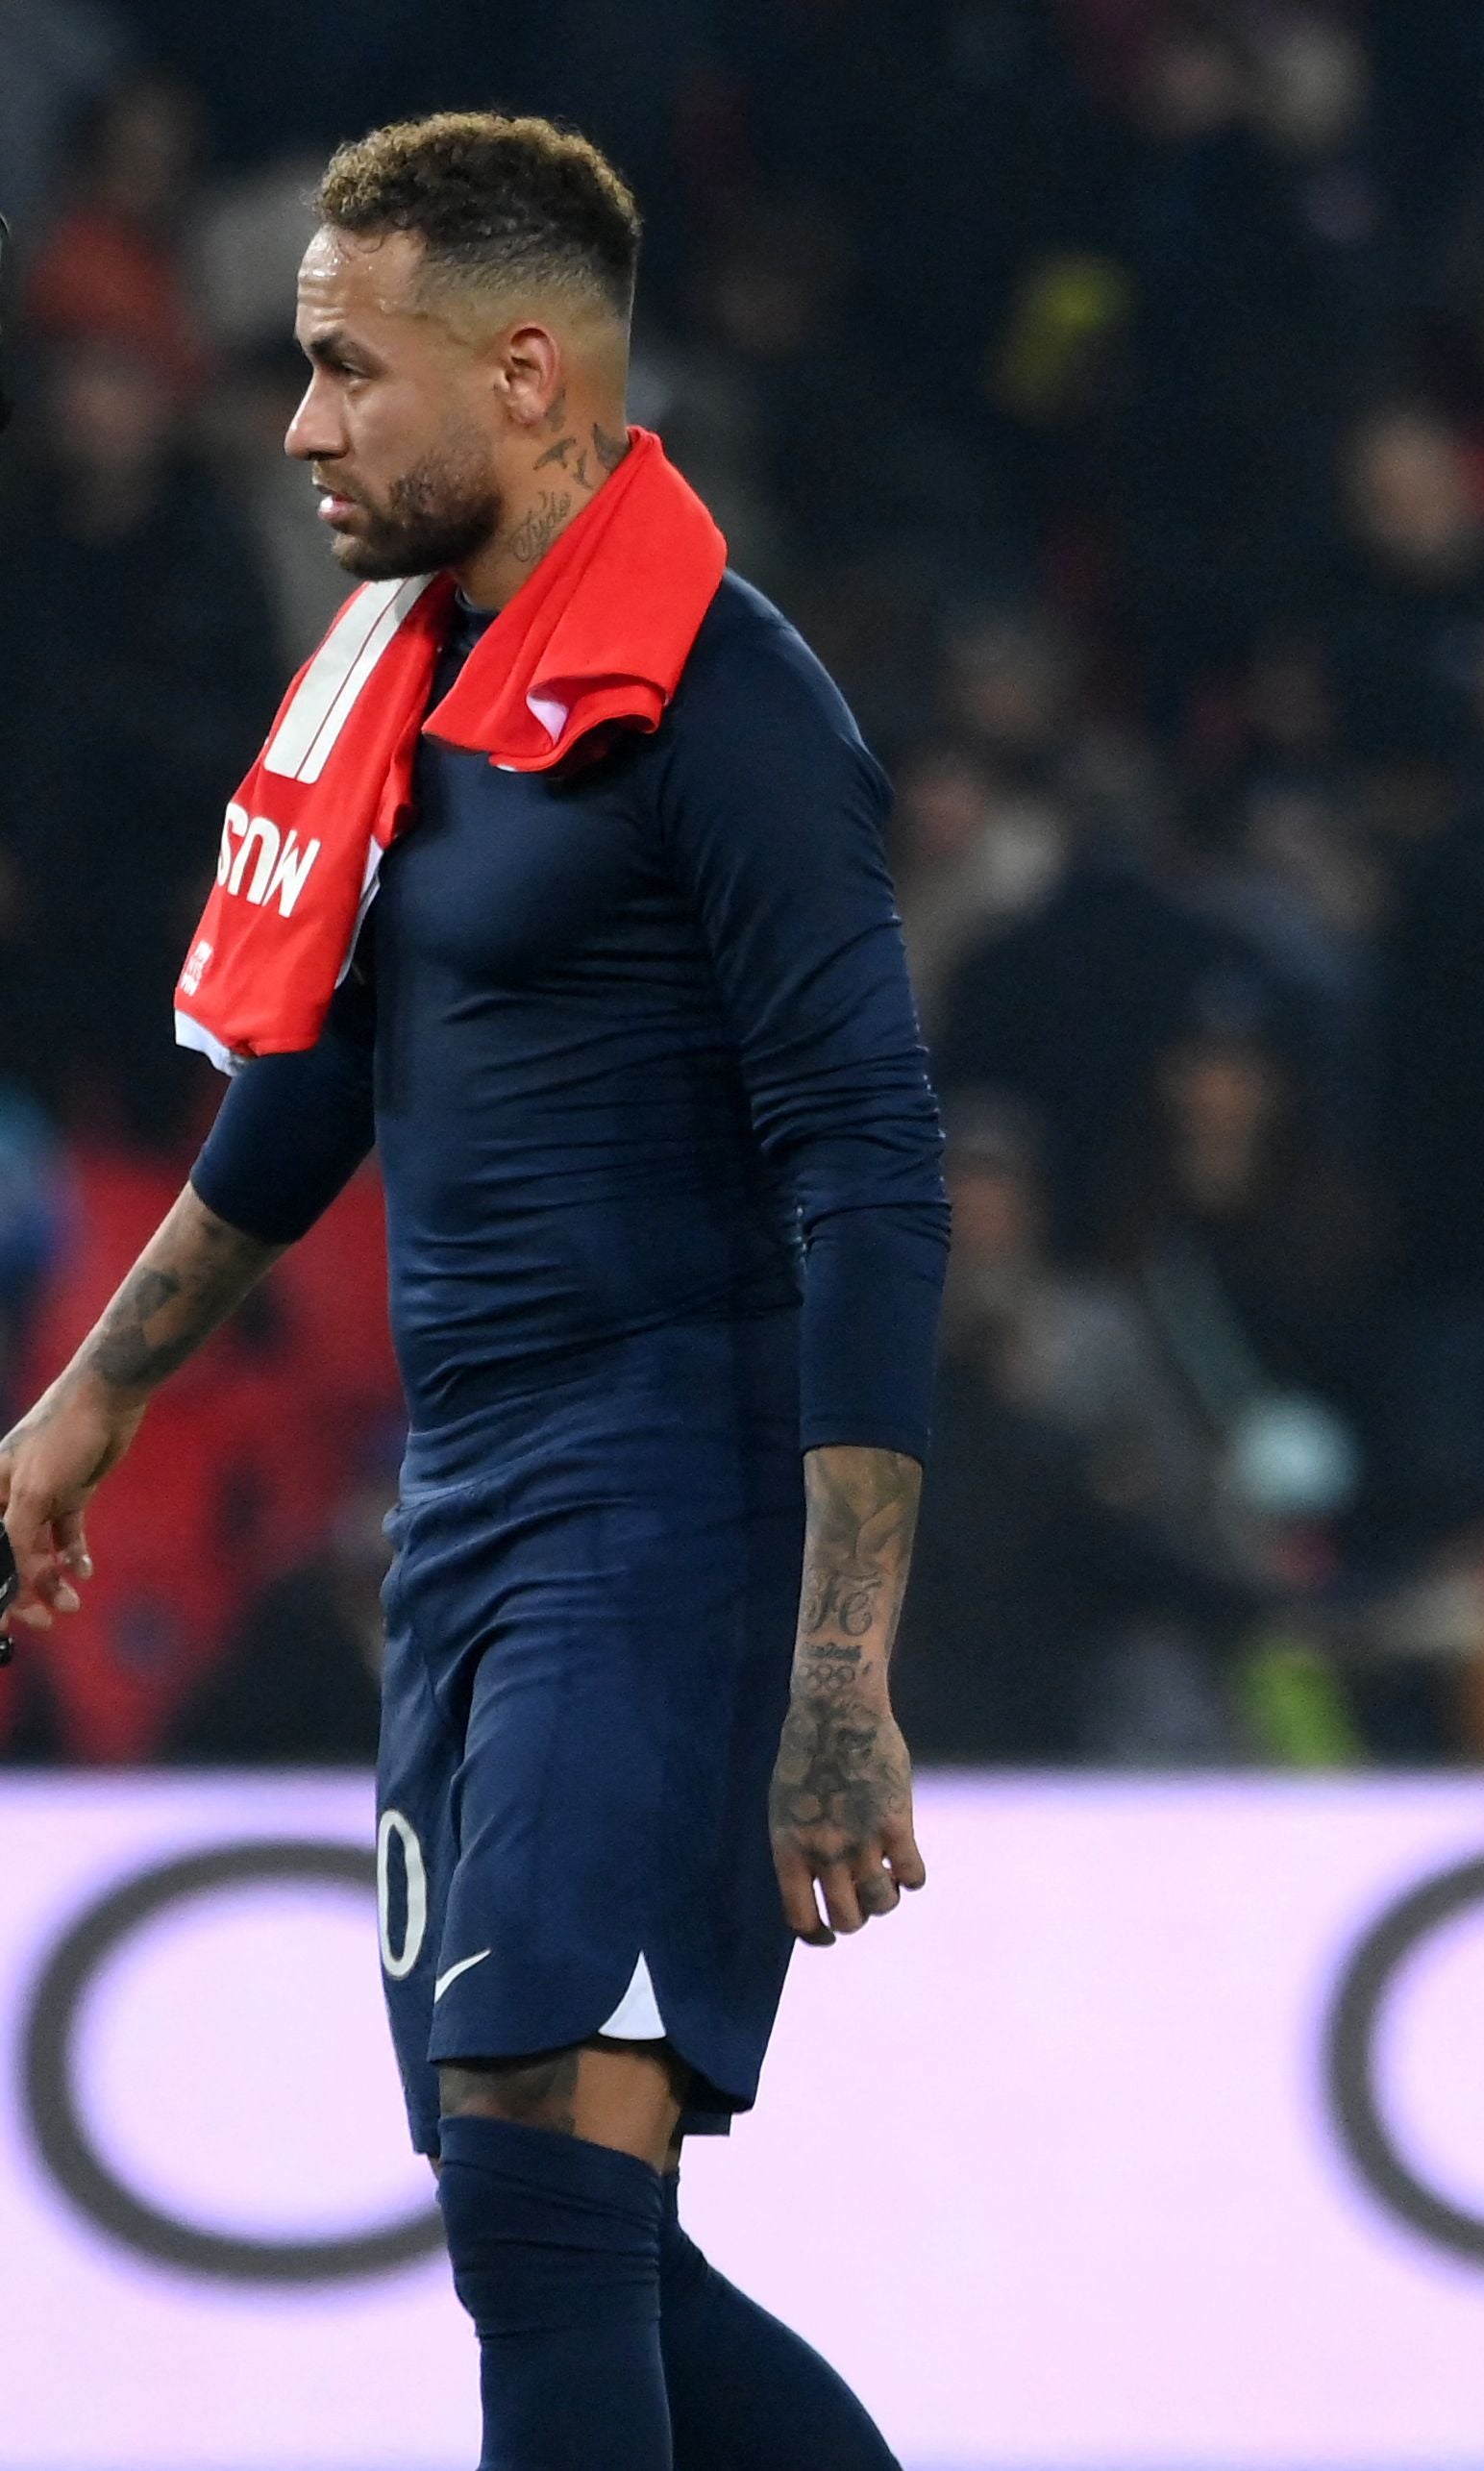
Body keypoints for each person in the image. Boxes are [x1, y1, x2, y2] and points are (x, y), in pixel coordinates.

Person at [0, 115, 945, 2469]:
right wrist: (82, 1410)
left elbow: (874, 1176)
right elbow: (310, 1094)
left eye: (346, 371)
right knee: (540, 2207)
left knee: (539, 2183)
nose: (300, 425)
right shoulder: (411, 683)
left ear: (524, 374)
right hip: (479, 1510)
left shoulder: (727, 712)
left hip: (671, 1510)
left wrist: (839, 1675)